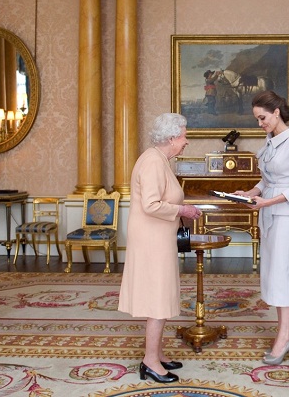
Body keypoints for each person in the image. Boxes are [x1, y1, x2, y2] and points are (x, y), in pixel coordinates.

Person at [118, 113, 202, 383]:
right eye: (184, 135)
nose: (186, 141)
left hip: (157, 237)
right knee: (157, 299)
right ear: (171, 138)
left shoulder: (160, 159)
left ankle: (157, 353)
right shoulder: (153, 161)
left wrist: (181, 212)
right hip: (151, 240)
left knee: (162, 295)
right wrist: (183, 209)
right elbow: (151, 205)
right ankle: (150, 362)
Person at [233, 90, 289, 365]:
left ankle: (284, 335)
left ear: (276, 112)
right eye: (257, 119)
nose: (260, 123)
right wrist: (249, 192)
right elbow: (266, 181)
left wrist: (265, 203)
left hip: (287, 213)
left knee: (280, 271)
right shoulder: (269, 142)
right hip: (268, 210)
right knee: (271, 271)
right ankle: (284, 332)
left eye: (262, 117)